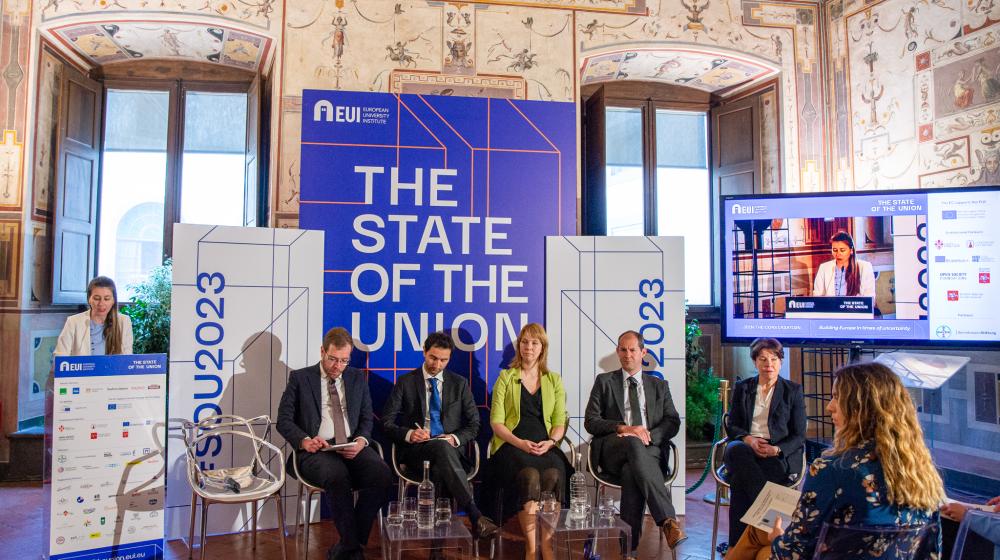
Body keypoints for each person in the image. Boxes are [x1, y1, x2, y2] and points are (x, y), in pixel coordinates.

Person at [728, 362, 945, 560]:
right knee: (758, 531)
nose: (829, 407)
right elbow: (933, 552)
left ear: (861, 409)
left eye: (836, 398)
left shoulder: (833, 468)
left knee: (765, 547)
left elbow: (790, 554)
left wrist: (777, 537)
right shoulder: (923, 473)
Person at [276, 327, 393, 560]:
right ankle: (352, 548)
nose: (338, 367)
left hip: (350, 444)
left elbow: (366, 417)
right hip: (316, 450)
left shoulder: (357, 377)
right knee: (338, 476)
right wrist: (304, 440)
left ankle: (349, 545)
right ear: (322, 351)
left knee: (382, 475)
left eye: (344, 361)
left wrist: (361, 440)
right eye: (333, 359)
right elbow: (284, 420)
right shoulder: (300, 378)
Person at [381, 332, 499, 538]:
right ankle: (475, 515)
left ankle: (438, 546)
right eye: (433, 358)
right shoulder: (406, 382)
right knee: (440, 451)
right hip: (417, 452)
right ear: (424, 352)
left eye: (444, 360)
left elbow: (474, 424)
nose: (437, 364)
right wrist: (409, 434)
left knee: (440, 466)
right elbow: (387, 423)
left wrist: (454, 438)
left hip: (450, 453)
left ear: (449, 358)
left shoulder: (459, 383)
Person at [584, 330, 686, 552]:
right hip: (615, 449)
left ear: (643, 352)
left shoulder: (659, 386)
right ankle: (668, 520)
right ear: (617, 351)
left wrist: (649, 436)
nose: (627, 355)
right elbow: (591, 422)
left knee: (632, 472)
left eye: (632, 350)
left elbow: (672, 421)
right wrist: (624, 428)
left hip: (649, 454)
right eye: (623, 349)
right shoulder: (604, 381)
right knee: (631, 441)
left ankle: (628, 550)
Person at [486, 323, 573, 560]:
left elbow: (559, 421)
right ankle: (531, 548)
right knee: (530, 475)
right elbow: (497, 423)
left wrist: (551, 442)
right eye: (524, 342)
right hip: (512, 445)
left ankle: (547, 545)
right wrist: (520, 443)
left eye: (534, 343)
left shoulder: (553, 380)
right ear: (519, 346)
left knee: (554, 474)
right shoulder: (506, 377)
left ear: (542, 348)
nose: (529, 347)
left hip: (545, 445)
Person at [723, 338, 806, 548]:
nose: (768, 364)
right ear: (755, 362)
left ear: (780, 362)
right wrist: (749, 439)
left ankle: (737, 547)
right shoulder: (744, 388)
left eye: (773, 359)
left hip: (775, 452)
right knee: (735, 451)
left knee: (740, 483)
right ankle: (770, 523)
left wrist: (776, 449)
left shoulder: (792, 390)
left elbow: (799, 434)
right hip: (746, 446)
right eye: (762, 359)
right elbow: (732, 425)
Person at [54, 276, 133, 356]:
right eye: (97, 298)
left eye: (106, 299)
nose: (101, 303)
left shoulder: (124, 321)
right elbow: (60, 355)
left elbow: (126, 358)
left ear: (113, 300)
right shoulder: (74, 322)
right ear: (89, 299)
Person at [812, 231, 876, 298]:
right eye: (835, 250)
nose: (838, 254)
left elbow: (870, 299)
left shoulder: (865, 267)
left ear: (851, 250)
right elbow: (817, 296)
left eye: (842, 250)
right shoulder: (824, 268)